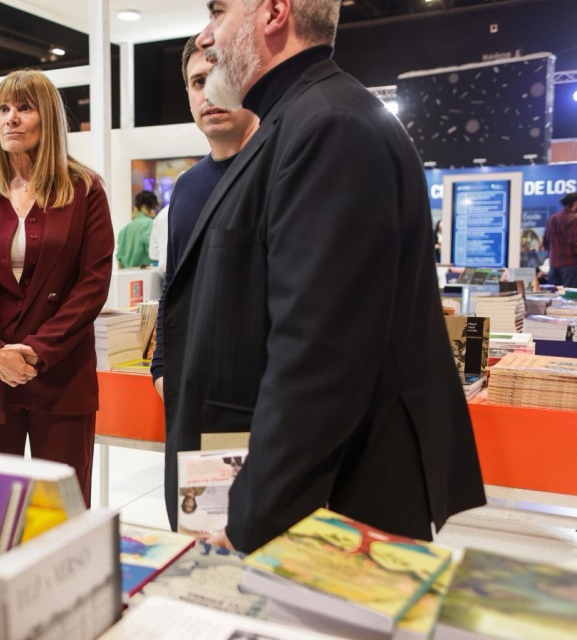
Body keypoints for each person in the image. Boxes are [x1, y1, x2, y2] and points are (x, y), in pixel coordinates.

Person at [163, 0, 485, 552]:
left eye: (218, 12)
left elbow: (318, 356)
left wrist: (250, 518)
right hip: (307, 491)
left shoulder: (330, 125)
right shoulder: (299, 119)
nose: (208, 35)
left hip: (335, 496)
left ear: (273, 12)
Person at [0, 69, 113, 507]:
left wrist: (37, 350)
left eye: (24, 108)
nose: (10, 118)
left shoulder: (85, 190)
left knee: (62, 512)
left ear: (48, 117)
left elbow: (92, 283)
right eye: (3, 109)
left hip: (60, 374)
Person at [149, 35, 258, 525]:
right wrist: (162, 368)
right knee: (198, 532)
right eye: (197, 82)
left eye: (221, 78)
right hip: (193, 401)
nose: (208, 93)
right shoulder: (189, 187)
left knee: (259, 541)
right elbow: (175, 286)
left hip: (260, 405)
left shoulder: (279, 169)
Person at [543, 193, 577, 288]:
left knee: (553, 294)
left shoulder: (552, 218)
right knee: (569, 294)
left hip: (553, 263)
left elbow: (545, 241)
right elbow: (574, 243)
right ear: (575, 203)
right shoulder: (573, 219)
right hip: (570, 264)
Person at [116, 190, 159, 268]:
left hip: (126, 274)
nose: (154, 212)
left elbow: (119, 261)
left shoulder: (124, 230)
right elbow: (155, 253)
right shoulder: (150, 224)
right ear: (144, 207)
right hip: (146, 273)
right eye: (153, 207)